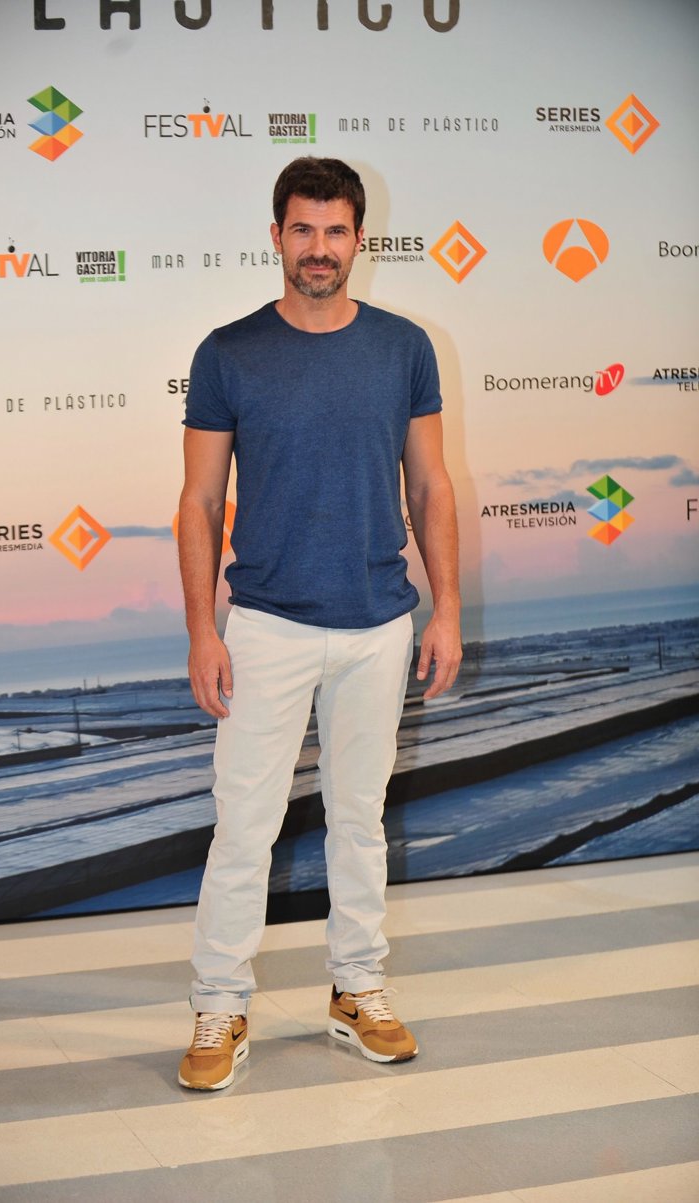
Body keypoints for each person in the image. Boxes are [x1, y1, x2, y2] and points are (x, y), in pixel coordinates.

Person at [176, 157, 461, 1091]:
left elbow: (431, 486)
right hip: (265, 624)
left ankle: (357, 988)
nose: (319, 249)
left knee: (360, 822)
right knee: (243, 828)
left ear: (359, 239)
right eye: (303, 229)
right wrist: (203, 630)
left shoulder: (403, 347)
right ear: (277, 236)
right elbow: (199, 501)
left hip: (379, 624)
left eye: (336, 231)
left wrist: (447, 608)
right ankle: (220, 1003)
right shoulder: (229, 353)